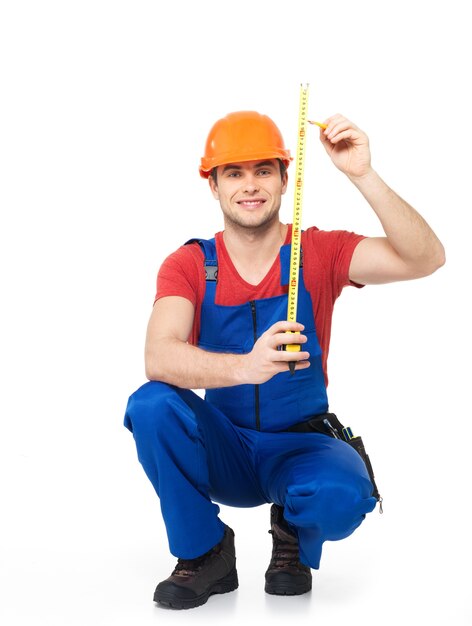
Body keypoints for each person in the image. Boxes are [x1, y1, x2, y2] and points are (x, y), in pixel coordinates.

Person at [124, 110, 445, 609]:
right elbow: (158, 355)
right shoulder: (190, 265)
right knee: (151, 405)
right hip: (224, 447)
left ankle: (292, 528)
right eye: (234, 172)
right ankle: (205, 553)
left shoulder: (317, 252)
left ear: (283, 179)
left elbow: (425, 258)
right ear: (212, 185)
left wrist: (362, 173)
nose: (250, 186)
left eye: (263, 171)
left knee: (341, 495)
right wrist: (244, 367)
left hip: (299, 446)